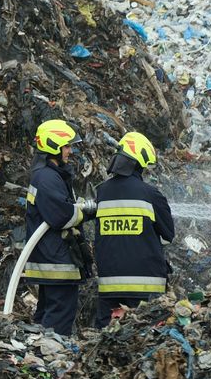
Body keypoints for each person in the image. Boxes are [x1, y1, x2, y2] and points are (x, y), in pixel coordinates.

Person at [93, 131, 175, 328]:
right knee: (143, 335)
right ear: (139, 162)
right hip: (145, 286)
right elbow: (168, 235)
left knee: (105, 337)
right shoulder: (150, 194)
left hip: (109, 284)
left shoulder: (101, 192)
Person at [24, 119, 94, 336]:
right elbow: (61, 216)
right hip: (57, 260)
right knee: (59, 318)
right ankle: (51, 352)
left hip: (51, 257)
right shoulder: (47, 177)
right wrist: (89, 212)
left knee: (47, 313)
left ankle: (37, 350)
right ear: (53, 146)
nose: (70, 151)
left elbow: (61, 206)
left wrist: (80, 206)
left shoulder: (47, 175)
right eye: (66, 146)